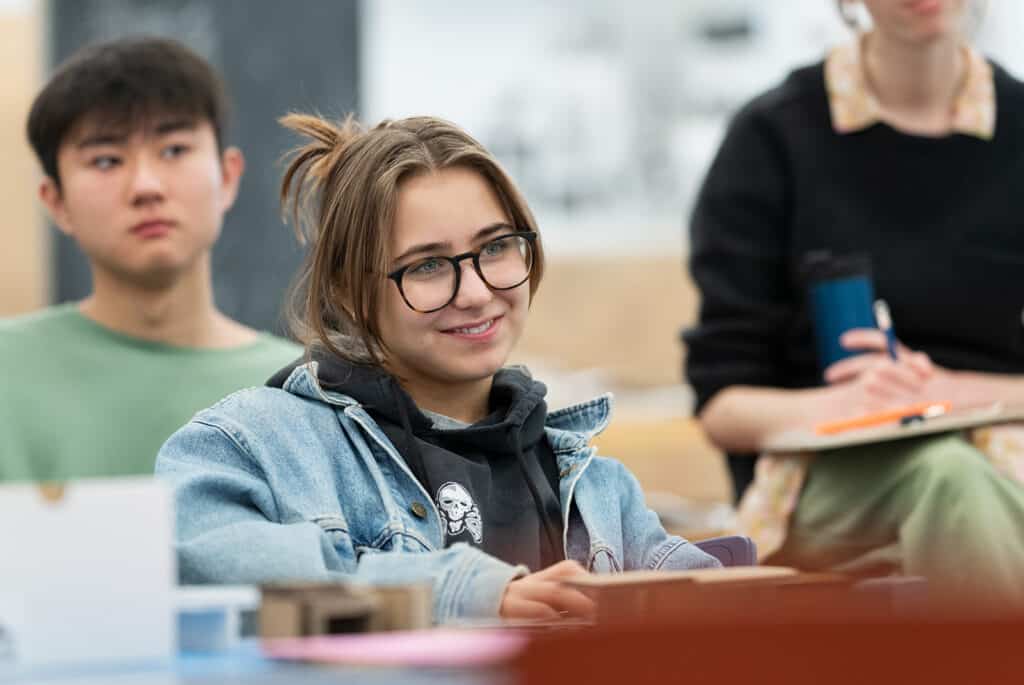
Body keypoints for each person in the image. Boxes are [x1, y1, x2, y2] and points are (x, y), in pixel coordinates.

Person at [156, 113, 721, 623]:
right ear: (348, 292)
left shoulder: (598, 488)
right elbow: (195, 560)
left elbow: (712, 617)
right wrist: (460, 593)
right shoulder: (254, 446)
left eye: (496, 247)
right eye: (427, 265)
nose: (475, 292)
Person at [684, 0, 1024, 606]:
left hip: (1010, 446)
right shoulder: (772, 139)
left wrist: (941, 394)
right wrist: (851, 405)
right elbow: (723, 407)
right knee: (953, 478)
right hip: (829, 478)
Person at [0, 37, 301, 482]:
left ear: (228, 176)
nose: (146, 186)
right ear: (56, 200)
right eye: (106, 160)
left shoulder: (298, 389)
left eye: (174, 150)